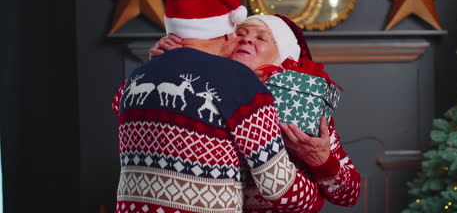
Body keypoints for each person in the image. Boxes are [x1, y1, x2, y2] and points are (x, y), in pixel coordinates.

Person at [112, 0, 331, 213]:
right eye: (239, 33)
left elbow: (119, 107)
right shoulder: (237, 80)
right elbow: (277, 185)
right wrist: (314, 199)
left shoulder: (136, 77)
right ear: (227, 32)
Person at [149, 14, 361, 212]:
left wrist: (323, 160)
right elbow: (146, 125)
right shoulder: (201, 91)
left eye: (262, 38)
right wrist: (162, 67)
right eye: (240, 34)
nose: (247, 40)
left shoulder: (304, 107)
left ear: (282, 54)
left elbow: (348, 196)